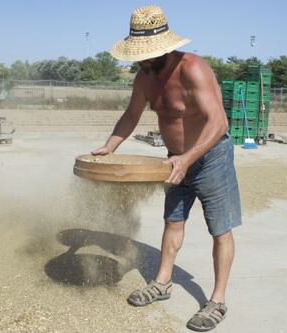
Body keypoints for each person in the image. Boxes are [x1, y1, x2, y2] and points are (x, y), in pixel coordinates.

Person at [91, 5, 242, 332]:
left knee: (220, 230)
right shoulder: (145, 78)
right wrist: (110, 146)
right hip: (173, 159)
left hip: (211, 157)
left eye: (149, 55)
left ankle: (217, 300)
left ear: (165, 47)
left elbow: (218, 122)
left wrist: (187, 159)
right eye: (139, 56)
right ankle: (162, 283)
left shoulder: (193, 69)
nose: (144, 61)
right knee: (172, 222)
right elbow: (131, 116)